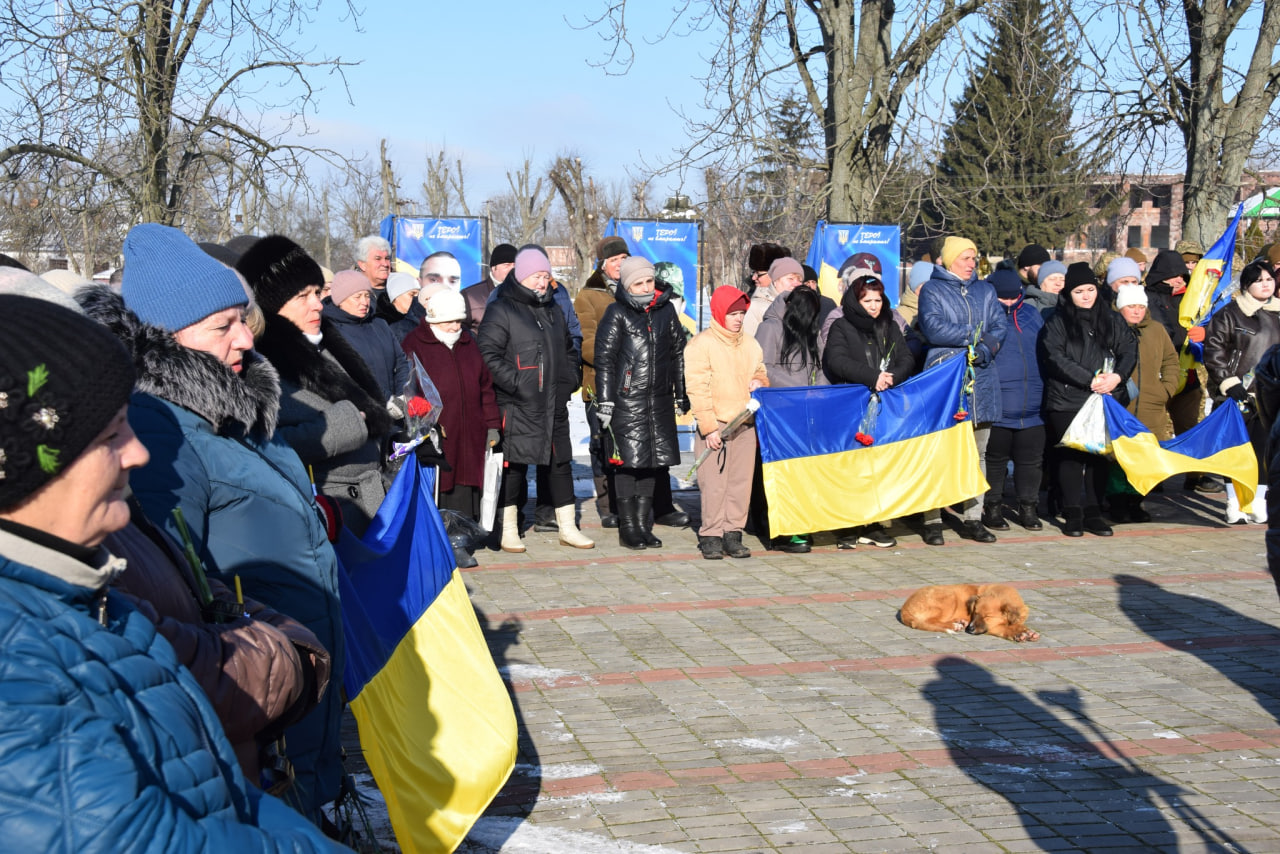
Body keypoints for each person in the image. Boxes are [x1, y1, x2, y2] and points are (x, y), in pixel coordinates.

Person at [0, 294, 346, 851]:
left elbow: (223, 795)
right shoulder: (17, 665)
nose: (136, 453)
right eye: (111, 434)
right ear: (25, 464)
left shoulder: (94, 596)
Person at [79, 223, 346, 823]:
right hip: (252, 714)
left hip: (295, 695)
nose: (245, 340)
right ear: (167, 339)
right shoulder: (160, 432)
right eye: (222, 326)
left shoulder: (238, 411)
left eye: (242, 320)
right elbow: (171, 589)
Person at [236, 237, 396, 537]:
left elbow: (371, 415)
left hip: (372, 507)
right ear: (271, 306)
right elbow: (256, 448)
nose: (317, 304)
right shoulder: (256, 367)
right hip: (324, 517)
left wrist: (399, 440)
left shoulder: (326, 345)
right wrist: (336, 428)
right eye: (301, 296)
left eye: (317, 292)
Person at [478, 246, 592, 552]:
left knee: (560, 463)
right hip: (517, 403)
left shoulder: (554, 308)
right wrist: (519, 383)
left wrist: (569, 378)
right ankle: (509, 529)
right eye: (536, 276)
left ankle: (568, 526)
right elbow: (487, 354)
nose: (542, 283)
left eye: (546, 276)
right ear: (521, 275)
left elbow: (569, 347)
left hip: (553, 401)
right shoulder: (501, 308)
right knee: (514, 466)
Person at [917, 235, 1008, 545]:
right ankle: (931, 519)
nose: (972, 263)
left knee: (977, 453)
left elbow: (999, 327)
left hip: (982, 378)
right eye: (965, 258)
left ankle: (973, 517)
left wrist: (985, 349)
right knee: (939, 452)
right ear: (950, 259)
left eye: (974, 258)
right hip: (945, 378)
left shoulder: (986, 290)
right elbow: (934, 327)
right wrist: (975, 336)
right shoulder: (932, 289)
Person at [401, 288, 501, 563]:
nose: (456, 327)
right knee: (441, 486)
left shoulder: (469, 343)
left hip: (470, 430)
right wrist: (424, 422)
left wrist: (492, 424)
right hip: (437, 432)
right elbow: (407, 389)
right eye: (449, 322)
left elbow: (485, 388)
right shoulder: (414, 344)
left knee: (465, 487)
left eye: (459, 321)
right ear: (433, 320)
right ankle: (440, 541)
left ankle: (461, 537)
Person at [1038, 262, 1138, 537]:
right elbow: (1054, 357)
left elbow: (1129, 348)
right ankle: (1072, 513)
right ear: (1069, 293)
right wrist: (1089, 379)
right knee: (1070, 458)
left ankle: (1094, 513)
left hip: (1105, 397)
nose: (1086, 295)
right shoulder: (1057, 322)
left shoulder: (1111, 318)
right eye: (1079, 290)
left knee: (1099, 458)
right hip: (1067, 399)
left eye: (1090, 289)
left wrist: (1117, 376)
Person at [593, 257, 687, 550]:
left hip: (658, 400)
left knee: (651, 464)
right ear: (626, 285)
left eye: (648, 281)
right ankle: (628, 527)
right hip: (626, 401)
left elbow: (678, 353)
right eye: (638, 283)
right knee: (627, 466)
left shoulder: (666, 310)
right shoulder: (616, 312)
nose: (644, 287)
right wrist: (606, 401)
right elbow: (605, 360)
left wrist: (681, 392)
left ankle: (644, 525)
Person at [822, 269, 914, 549]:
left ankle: (875, 523)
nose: (874, 306)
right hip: (852, 405)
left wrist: (891, 377)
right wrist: (870, 376)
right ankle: (848, 526)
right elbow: (835, 361)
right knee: (852, 466)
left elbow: (906, 357)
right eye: (868, 302)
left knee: (879, 466)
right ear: (855, 301)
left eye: (878, 300)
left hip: (884, 404)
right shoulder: (841, 325)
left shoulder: (889, 324)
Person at [685, 286, 769, 560]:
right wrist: (709, 427)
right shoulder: (701, 344)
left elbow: (761, 371)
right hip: (717, 424)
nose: (738, 319)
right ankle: (711, 534)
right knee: (714, 484)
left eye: (741, 314)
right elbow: (697, 388)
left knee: (740, 483)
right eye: (732, 313)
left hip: (744, 423)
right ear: (720, 313)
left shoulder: (750, 343)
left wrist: (761, 381)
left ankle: (733, 533)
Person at [1205, 259, 1280, 523]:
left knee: (1263, 450)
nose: (1265, 285)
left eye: (1269, 279)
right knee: (1235, 449)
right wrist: (1229, 383)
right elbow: (1214, 352)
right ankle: (1233, 502)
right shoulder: (1230, 314)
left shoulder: (1278, 312)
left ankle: (1258, 501)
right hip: (1237, 393)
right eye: (1259, 280)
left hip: (1269, 394)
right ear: (1247, 285)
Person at [754, 285, 828, 553]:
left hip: (806, 410)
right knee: (780, 471)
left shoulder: (810, 329)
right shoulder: (770, 328)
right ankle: (779, 529)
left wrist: (820, 392)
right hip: (779, 410)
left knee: (803, 470)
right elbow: (763, 367)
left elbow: (819, 365)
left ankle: (801, 524)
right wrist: (798, 392)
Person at [1146, 247, 1223, 494]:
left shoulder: (1191, 299)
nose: (1180, 279)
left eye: (1182, 274)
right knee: (1153, 428)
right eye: (1174, 275)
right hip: (1157, 376)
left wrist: (1205, 334)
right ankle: (1153, 474)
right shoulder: (1146, 298)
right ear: (1161, 276)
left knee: (1190, 426)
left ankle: (1195, 474)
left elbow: (1211, 325)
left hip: (1187, 374)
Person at [1111, 284, 1180, 523]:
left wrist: (1167, 389)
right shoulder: (1109, 327)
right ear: (1120, 307)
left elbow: (1171, 362)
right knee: (1118, 457)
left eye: (1141, 306)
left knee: (1147, 456)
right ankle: (1116, 502)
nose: (1137, 311)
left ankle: (1136, 501)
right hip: (1120, 405)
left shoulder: (1157, 330)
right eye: (1131, 306)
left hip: (1152, 404)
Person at [983, 269, 1046, 532]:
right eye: (1003, 298)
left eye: (1013, 298)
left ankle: (1028, 507)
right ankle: (993, 507)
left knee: (1030, 461)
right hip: (999, 404)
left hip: (1032, 404)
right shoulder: (985, 317)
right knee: (995, 460)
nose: (1009, 303)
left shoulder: (1032, 316)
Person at [576, 235, 631, 528]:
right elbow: (586, 343)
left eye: (624, 259)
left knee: (630, 446)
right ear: (603, 264)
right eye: (614, 260)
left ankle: (632, 504)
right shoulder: (588, 296)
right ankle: (607, 505)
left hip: (635, 386)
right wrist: (623, 359)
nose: (621, 265)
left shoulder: (638, 289)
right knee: (602, 446)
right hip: (600, 386)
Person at [321, 268, 411, 402]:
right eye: (357, 297)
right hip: (363, 409)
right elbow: (350, 374)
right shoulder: (330, 330)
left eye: (367, 295)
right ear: (340, 300)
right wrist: (385, 400)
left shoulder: (379, 324)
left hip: (396, 407)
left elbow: (401, 361)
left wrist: (402, 395)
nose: (364, 302)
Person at [463, 243, 516, 332]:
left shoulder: (526, 293)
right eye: (506, 265)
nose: (512, 270)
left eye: (515, 265)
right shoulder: (470, 296)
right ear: (493, 268)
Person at [379, 270, 424, 343]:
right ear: (396, 296)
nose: (416, 299)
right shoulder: (383, 325)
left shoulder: (419, 318)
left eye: (419, 295)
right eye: (412, 294)